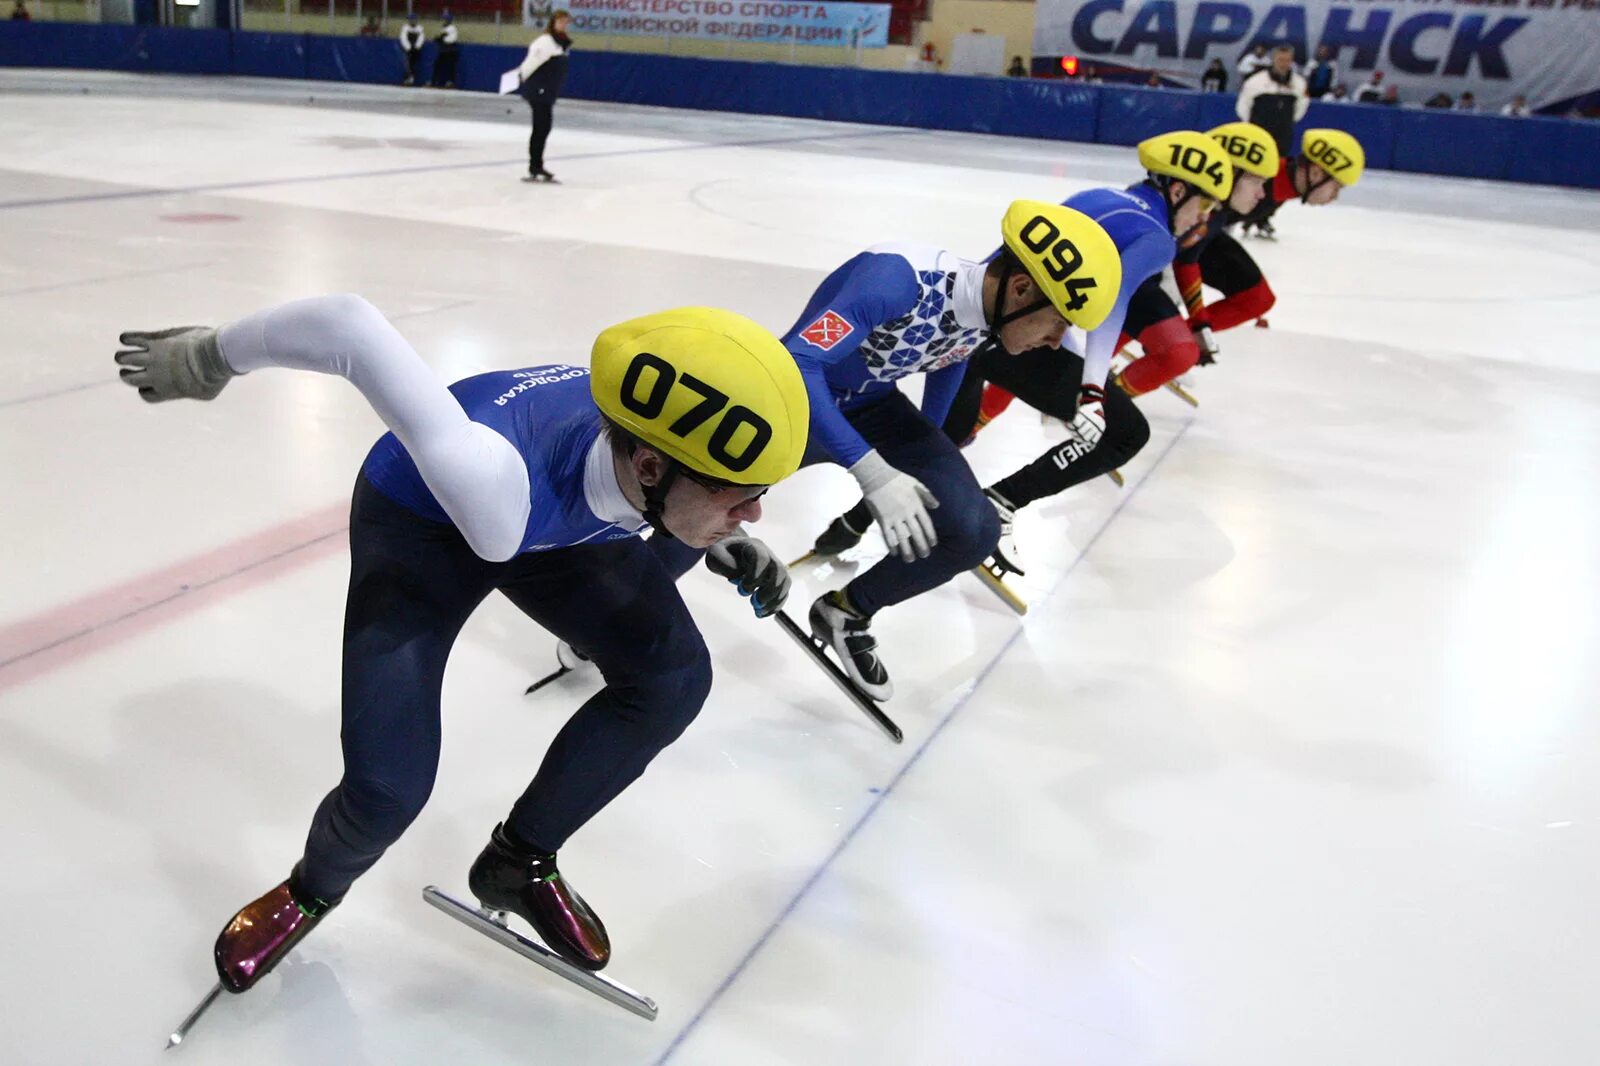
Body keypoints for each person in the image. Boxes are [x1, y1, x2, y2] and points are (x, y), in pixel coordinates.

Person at [114, 299, 811, 991]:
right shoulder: (493, 479)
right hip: (429, 527)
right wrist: (209, 357)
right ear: (653, 468)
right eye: (739, 496)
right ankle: (311, 891)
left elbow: (668, 498)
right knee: (387, 790)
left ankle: (518, 862)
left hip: (553, 522)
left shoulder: (649, 459)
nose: (755, 512)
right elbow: (348, 326)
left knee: (674, 678)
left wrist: (727, 536)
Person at [719, 202, 1121, 698]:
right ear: (1021, 290)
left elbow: (950, 355)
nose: (1058, 342)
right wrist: (874, 472)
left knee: (975, 530)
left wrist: (923, 448)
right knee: (692, 516)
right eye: (1058, 323)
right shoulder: (897, 281)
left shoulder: (985, 309)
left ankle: (846, 611)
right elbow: (798, 360)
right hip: (796, 398)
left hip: (871, 404)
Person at [808, 132, 1234, 582]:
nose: (1201, 220)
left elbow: (1061, 303)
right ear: (1179, 189)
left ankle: (850, 525)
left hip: (973, 315)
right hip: (1013, 329)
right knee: (1125, 434)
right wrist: (1091, 388)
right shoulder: (1158, 238)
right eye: (1204, 206)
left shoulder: (1104, 196)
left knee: (944, 437)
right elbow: (1110, 308)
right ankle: (1004, 500)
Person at [1128, 129, 1365, 388]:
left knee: (1258, 298)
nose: (1335, 197)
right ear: (1317, 174)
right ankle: (1163, 341)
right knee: (1158, 286)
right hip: (1189, 225)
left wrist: (1199, 325)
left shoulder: (1270, 188)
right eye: (1337, 187)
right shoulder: (1265, 180)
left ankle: (1173, 341)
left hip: (1203, 230)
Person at [1113, 122, 1277, 396]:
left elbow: (1190, 257)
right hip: (1129, 279)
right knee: (1173, 340)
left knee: (1179, 347)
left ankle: (1100, 393)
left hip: (1144, 276)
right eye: (1256, 181)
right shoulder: (1188, 210)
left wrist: (1198, 322)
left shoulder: (1212, 213)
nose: (1261, 194)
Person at [517, 8, 572, 183]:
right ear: (553, 22)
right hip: (539, 91)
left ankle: (537, 165)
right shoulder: (546, 41)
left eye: (566, 22)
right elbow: (530, 63)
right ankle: (535, 167)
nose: (563, 25)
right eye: (560, 21)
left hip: (547, 92)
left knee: (544, 128)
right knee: (540, 128)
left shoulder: (560, 43)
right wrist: (522, 77)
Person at [1236, 44, 1309, 156]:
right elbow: (1243, 106)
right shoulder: (1256, 81)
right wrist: (1249, 127)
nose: (1284, 64)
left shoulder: (1299, 83)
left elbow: (1302, 106)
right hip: (1258, 134)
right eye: (1281, 60)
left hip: (1283, 135)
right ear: (1273, 59)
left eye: (1287, 60)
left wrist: (1287, 122)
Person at [431, 12, 461, 89]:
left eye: (445, 19)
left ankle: (450, 82)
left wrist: (442, 39)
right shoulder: (443, 28)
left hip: (450, 50)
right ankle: (435, 81)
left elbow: (452, 39)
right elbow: (441, 37)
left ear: (449, 20)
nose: (444, 20)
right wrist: (439, 39)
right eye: (443, 19)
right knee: (437, 65)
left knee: (450, 67)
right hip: (443, 51)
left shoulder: (452, 28)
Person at [399, 14, 425, 87]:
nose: (411, 21)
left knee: (413, 64)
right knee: (408, 64)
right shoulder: (405, 28)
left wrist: (417, 47)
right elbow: (403, 38)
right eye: (410, 20)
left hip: (416, 50)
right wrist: (408, 47)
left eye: (413, 20)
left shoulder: (420, 28)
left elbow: (421, 38)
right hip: (408, 49)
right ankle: (408, 78)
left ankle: (411, 79)